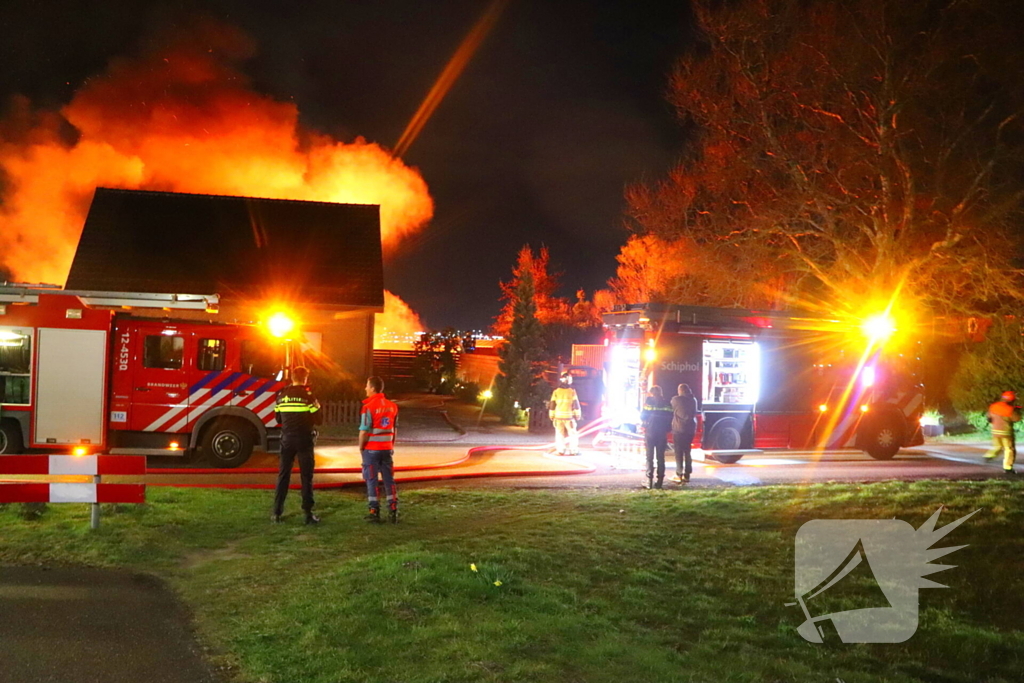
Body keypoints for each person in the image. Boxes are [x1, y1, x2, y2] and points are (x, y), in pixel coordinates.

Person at [272, 366, 322, 524]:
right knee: (306, 477)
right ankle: (307, 513)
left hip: (286, 440)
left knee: (283, 475)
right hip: (304, 440)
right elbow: (319, 420)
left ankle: (277, 513)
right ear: (305, 378)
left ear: (292, 378)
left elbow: (278, 419)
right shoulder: (308, 396)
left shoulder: (281, 395)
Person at [360, 376, 400, 523]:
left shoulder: (368, 407)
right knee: (389, 480)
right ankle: (393, 509)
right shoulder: (393, 406)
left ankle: (374, 511)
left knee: (371, 479)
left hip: (372, 449)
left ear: (372, 388)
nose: (365, 388)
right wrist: (391, 445)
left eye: (367, 386)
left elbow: (364, 431)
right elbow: (394, 429)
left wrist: (361, 448)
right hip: (387, 448)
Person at [641, 385, 674, 489]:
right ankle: (659, 482)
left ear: (652, 393)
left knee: (649, 457)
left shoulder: (649, 402)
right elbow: (670, 417)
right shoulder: (667, 403)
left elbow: (642, 416)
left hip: (650, 432)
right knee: (660, 457)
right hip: (661, 433)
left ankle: (649, 481)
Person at [984, 390, 1020, 475]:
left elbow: (988, 417)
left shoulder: (993, 406)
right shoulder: (1010, 409)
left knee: (997, 446)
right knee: (1009, 449)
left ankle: (989, 455)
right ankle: (1008, 468)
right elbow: (1016, 419)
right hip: (1006, 433)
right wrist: (1017, 411)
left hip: (995, 431)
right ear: (1011, 400)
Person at [548, 373, 582, 455]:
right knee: (572, 433)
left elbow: (552, 404)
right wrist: (577, 414)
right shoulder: (572, 391)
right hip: (569, 417)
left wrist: (551, 415)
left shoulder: (556, 391)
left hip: (558, 417)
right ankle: (573, 450)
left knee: (559, 433)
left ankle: (561, 450)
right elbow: (575, 404)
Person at [671, 383, 698, 484]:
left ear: (680, 390)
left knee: (678, 452)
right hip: (690, 429)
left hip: (679, 429)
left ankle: (679, 474)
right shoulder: (693, 400)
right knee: (687, 451)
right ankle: (687, 475)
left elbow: (672, 409)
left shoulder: (676, 400)